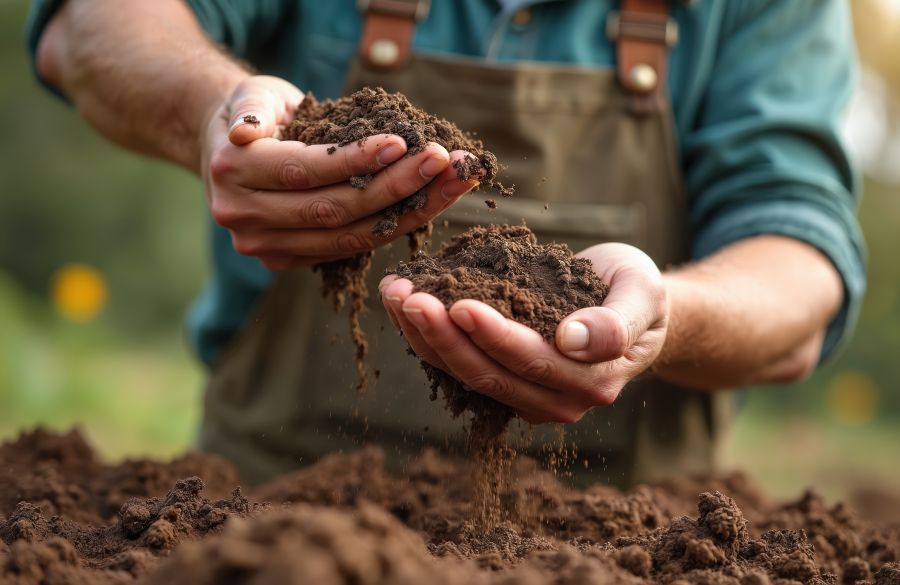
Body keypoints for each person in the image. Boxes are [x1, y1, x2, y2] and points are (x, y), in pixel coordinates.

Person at [27, 0, 865, 486]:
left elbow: (798, 255)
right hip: (271, 524)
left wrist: (667, 314)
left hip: (624, 547)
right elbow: (90, 25)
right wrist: (214, 110)